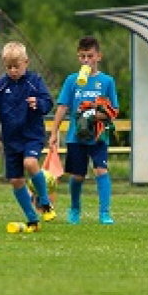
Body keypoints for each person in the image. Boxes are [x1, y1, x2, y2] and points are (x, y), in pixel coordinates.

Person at [0, 41, 56, 231]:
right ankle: (32, 219)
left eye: (16, 66)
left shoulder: (35, 81)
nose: (13, 70)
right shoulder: (1, 85)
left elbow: (48, 101)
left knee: (31, 163)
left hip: (32, 135)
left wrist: (38, 104)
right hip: (11, 140)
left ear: (26, 62)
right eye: (9, 67)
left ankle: (45, 201)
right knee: (16, 181)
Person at [48, 35, 119, 225]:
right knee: (77, 176)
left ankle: (104, 213)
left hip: (98, 136)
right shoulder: (72, 81)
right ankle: (74, 210)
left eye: (89, 56)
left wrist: (97, 115)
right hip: (75, 137)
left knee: (101, 170)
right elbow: (62, 107)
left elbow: (114, 111)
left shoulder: (106, 81)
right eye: (82, 56)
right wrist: (54, 133)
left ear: (98, 57)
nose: (86, 60)